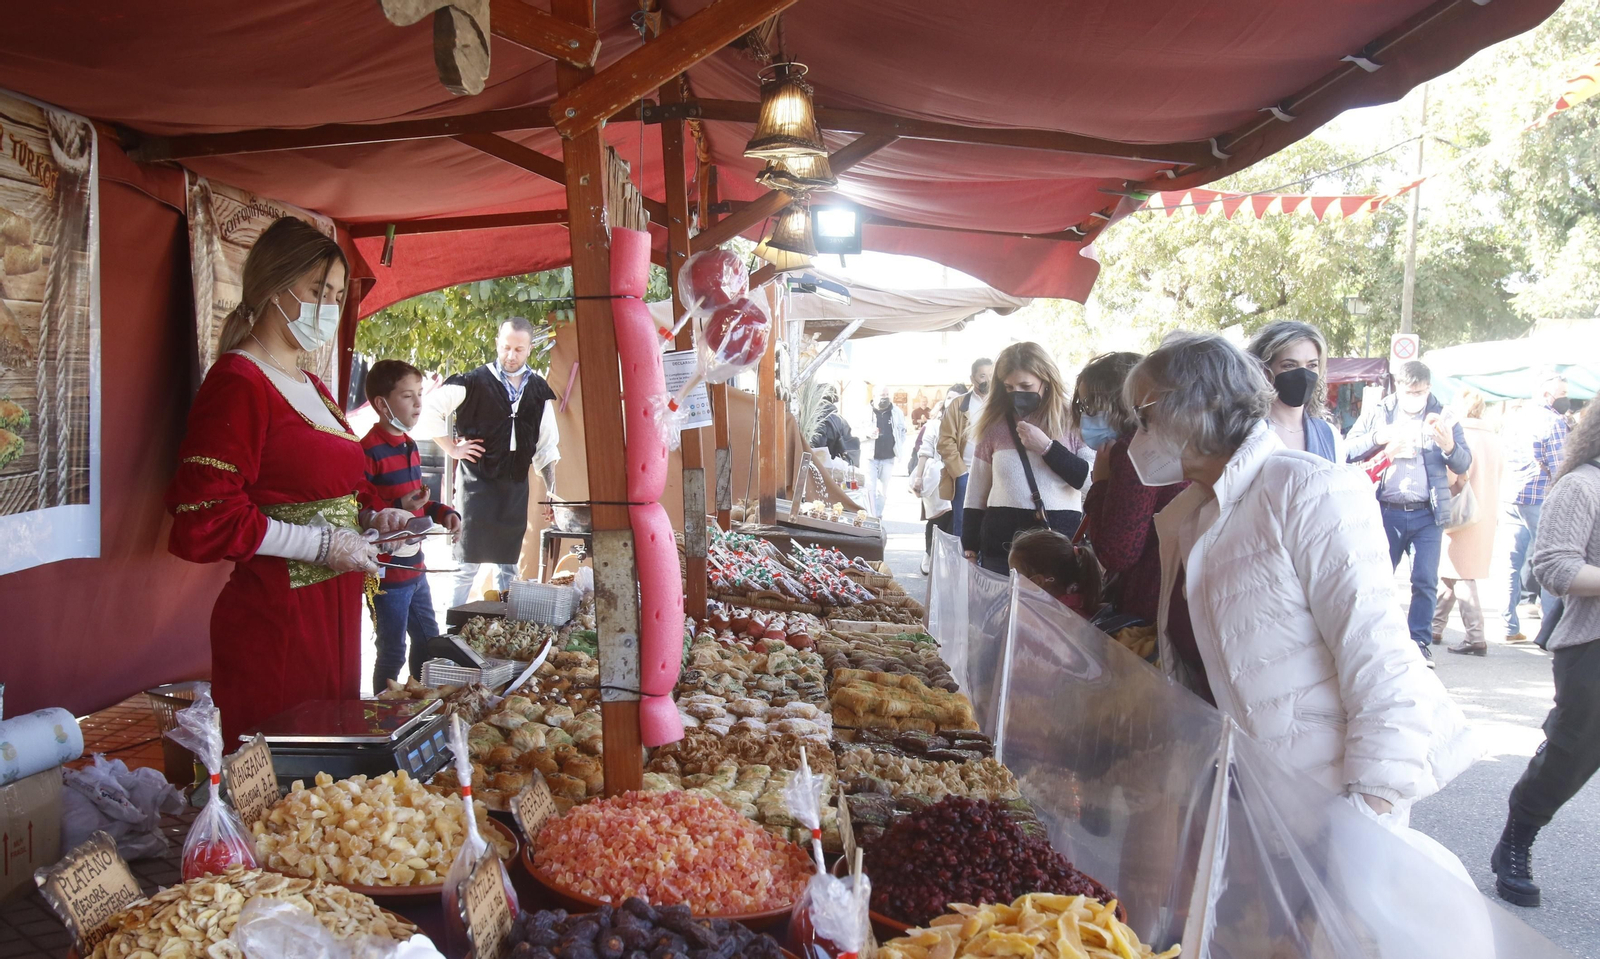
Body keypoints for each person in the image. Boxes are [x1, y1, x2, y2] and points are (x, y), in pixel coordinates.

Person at [1129, 333, 1474, 820]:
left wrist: (1369, 810)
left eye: (1144, 415)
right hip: (1240, 792)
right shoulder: (1191, 515)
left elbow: (1382, 662)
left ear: (1197, 407)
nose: (1137, 434)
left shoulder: (1310, 488)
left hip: (1323, 799)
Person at [165, 217, 412, 744]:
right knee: (285, 773)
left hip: (336, 614)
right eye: (318, 291)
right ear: (275, 288)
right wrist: (321, 544)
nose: (330, 305)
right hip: (277, 619)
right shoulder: (238, 382)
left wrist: (374, 516)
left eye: (338, 295)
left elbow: (338, 484)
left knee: (328, 768)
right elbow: (206, 516)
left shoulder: (312, 385)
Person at [1490, 406, 1600, 908]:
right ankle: (1518, 834)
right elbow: (1554, 567)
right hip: (1591, 645)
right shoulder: (1581, 485)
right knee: (1571, 755)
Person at [416, 317, 560, 606]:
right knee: (466, 565)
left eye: (518, 349)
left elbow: (546, 448)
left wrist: (551, 493)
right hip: (476, 486)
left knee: (508, 567)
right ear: (497, 343)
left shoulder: (538, 391)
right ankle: (452, 631)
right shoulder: (472, 381)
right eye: (506, 347)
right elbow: (429, 409)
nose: (510, 355)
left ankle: (501, 627)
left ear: (530, 348)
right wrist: (452, 449)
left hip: (514, 486)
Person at [1345, 361, 1472, 662]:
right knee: (1376, 580)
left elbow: (1464, 463)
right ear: (1397, 387)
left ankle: (1419, 643)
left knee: (1425, 581)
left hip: (1427, 513)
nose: (1415, 396)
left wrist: (1449, 446)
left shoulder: (1442, 415)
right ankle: (1373, 641)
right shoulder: (1380, 412)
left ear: (1429, 388)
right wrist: (1380, 438)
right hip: (1385, 511)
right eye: (1409, 391)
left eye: (1421, 391)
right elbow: (1347, 450)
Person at [361, 360, 462, 687]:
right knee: (392, 650)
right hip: (387, 572)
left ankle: (419, 705)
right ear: (381, 403)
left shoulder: (409, 446)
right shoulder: (367, 450)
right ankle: (382, 717)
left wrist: (444, 513)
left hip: (416, 568)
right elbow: (360, 511)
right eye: (408, 396)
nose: (419, 403)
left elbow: (418, 503)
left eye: (420, 394)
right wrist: (397, 507)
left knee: (430, 641)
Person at [961, 342, 1089, 574]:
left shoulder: (1073, 419)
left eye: (1025, 385)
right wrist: (969, 548)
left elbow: (1089, 482)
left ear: (1046, 379)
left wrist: (1047, 448)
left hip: (1057, 545)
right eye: (1009, 387)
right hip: (1001, 548)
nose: (1017, 393)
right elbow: (976, 492)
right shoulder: (994, 423)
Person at [1077, 351, 1184, 626]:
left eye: (1091, 405)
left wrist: (1099, 484)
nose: (1085, 415)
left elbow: (1118, 552)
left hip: (1151, 605)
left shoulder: (1134, 451)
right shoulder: (1168, 439)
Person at [1499, 372, 1571, 644]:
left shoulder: (1515, 418)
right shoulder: (1554, 422)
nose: (1566, 400)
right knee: (1551, 561)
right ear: (1546, 394)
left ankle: (1508, 626)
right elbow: (1561, 468)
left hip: (1511, 495)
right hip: (1540, 498)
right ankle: (1551, 632)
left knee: (1510, 564)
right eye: (1562, 394)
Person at [1437, 390, 1503, 656]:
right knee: (1451, 573)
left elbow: (1453, 477)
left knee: (1461, 574)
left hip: (1460, 511)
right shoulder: (1494, 438)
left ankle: (1475, 635)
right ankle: (1434, 625)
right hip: (1484, 511)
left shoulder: (1460, 436)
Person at [1244, 320, 1342, 462]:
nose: (1302, 374)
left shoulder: (1329, 436)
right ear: (1265, 370)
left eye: (1312, 365)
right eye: (1289, 365)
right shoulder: (1244, 432)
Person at [938, 359, 993, 536]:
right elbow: (945, 441)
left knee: (989, 523)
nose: (987, 380)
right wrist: (960, 473)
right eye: (982, 375)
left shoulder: (999, 405)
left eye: (991, 376)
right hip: (965, 473)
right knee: (962, 524)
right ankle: (960, 563)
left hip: (993, 473)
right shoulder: (958, 405)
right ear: (973, 378)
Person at [910, 393, 959, 575]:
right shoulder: (935, 425)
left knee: (956, 519)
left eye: (958, 397)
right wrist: (919, 477)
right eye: (950, 397)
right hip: (936, 476)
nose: (954, 400)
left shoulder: (970, 422)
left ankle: (949, 561)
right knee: (937, 518)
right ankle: (929, 554)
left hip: (961, 476)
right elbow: (925, 450)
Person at [1007, 527, 1103, 617]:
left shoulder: (1045, 616)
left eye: (1013, 575)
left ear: (1038, 581)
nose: (1010, 581)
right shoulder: (1078, 602)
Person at [863, 386, 907, 516]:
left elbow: (902, 432)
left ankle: (878, 516)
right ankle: (872, 516)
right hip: (870, 457)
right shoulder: (865, 411)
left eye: (887, 394)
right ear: (875, 396)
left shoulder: (896, 412)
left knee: (882, 491)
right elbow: (853, 431)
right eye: (882, 395)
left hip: (888, 457)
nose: (885, 397)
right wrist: (867, 434)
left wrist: (897, 445)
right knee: (870, 488)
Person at [810, 385, 857, 464]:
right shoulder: (841, 420)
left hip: (821, 469)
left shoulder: (817, 419)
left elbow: (816, 451)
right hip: (837, 469)